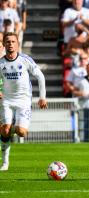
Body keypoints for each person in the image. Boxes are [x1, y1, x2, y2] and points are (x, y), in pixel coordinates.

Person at [0, 32, 47, 171]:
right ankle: (5, 163)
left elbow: (40, 76)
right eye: (7, 42)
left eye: (13, 41)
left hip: (24, 100)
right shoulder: (1, 63)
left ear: (17, 44)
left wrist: (42, 97)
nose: (10, 44)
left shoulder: (25, 60)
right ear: (3, 44)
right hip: (7, 100)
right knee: (6, 129)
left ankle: (4, 130)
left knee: (21, 132)